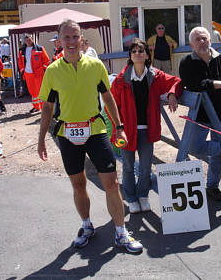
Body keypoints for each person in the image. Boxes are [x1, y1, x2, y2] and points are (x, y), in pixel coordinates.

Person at [37, 19, 143, 253]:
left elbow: (107, 98)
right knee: (78, 183)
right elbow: (47, 107)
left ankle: (120, 232)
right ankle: (86, 226)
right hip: (66, 134)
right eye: (67, 37)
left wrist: (119, 126)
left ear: (82, 39)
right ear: (59, 41)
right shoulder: (52, 71)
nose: (72, 42)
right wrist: (41, 138)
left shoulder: (95, 66)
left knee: (111, 183)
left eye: (75, 37)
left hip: (95, 130)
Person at [110, 38, 182, 213]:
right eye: (134, 51)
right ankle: (131, 198)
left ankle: (143, 196)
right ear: (130, 55)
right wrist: (118, 128)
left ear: (147, 54)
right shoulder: (121, 80)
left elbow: (176, 81)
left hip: (147, 131)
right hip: (126, 132)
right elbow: (111, 105)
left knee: (145, 166)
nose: (137, 53)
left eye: (141, 50)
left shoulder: (156, 76)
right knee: (127, 166)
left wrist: (172, 94)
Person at [179, 27, 221, 201]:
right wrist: (219, 84)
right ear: (191, 44)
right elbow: (194, 84)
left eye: (204, 38)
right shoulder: (186, 62)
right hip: (200, 116)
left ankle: (213, 186)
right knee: (194, 148)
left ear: (210, 40)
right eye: (198, 39)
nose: (202, 42)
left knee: (215, 155)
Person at [18, 34, 50, 113]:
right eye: (26, 39)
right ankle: (36, 106)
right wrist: (23, 71)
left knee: (41, 91)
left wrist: (42, 70)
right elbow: (20, 62)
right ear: (24, 41)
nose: (28, 41)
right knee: (32, 91)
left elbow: (46, 61)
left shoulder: (39, 48)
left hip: (38, 74)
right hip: (28, 74)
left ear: (32, 39)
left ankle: (44, 108)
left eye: (29, 39)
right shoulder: (22, 50)